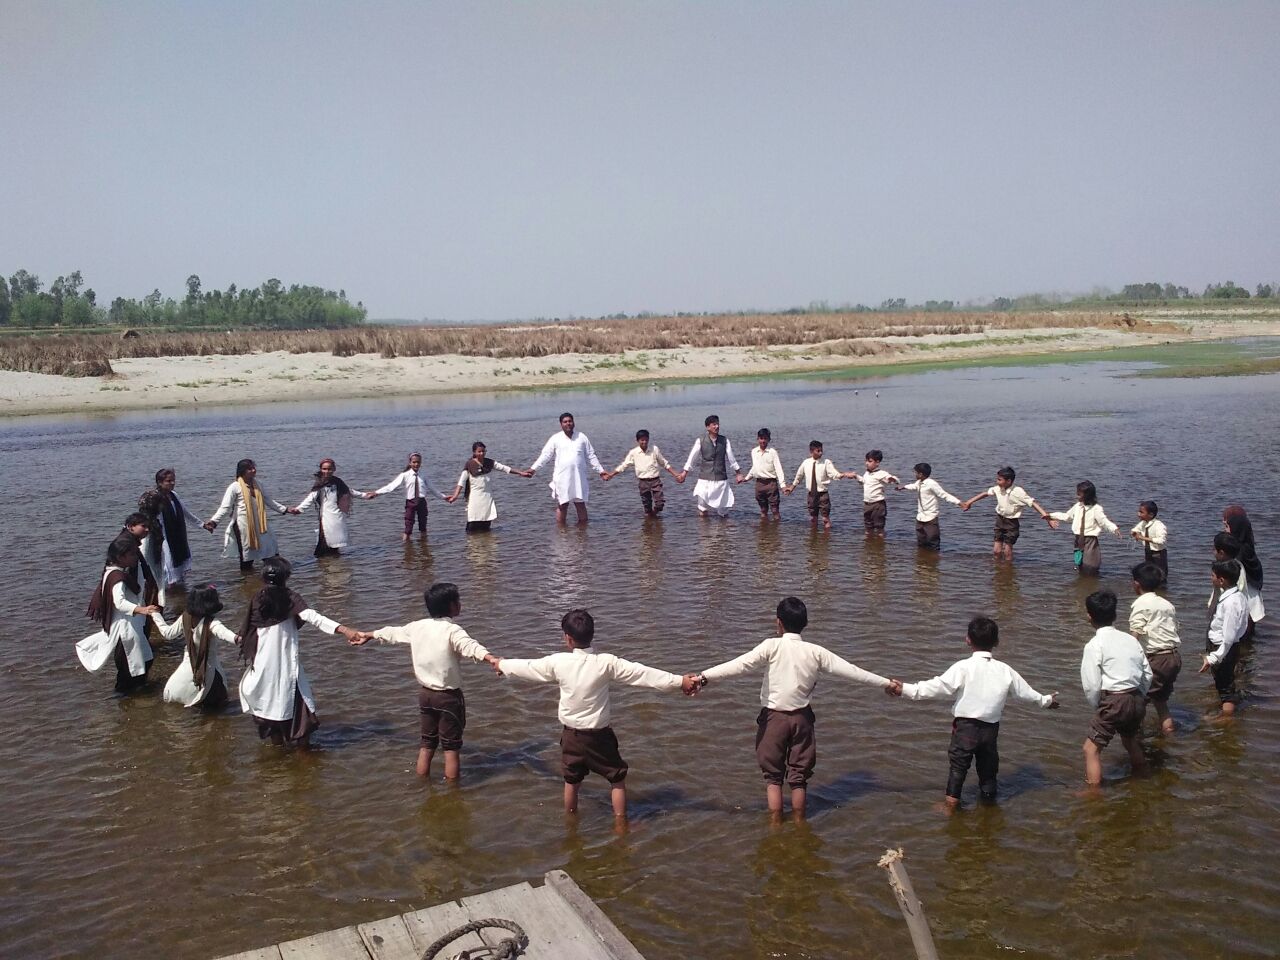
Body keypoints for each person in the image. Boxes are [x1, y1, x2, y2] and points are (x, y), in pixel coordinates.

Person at [696, 597, 895, 821]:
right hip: (803, 720)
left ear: (778, 623)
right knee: (799, 779)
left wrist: (703, 677)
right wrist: (886, 683)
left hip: (773, 720)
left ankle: (775, 827)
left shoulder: (771, 646)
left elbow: (739, 665)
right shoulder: (816, 652)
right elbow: (853, 671)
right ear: (805, 624)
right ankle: (800, 825)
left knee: (773, 778)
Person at [494, 608, 700, 820]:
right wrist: (679, 681)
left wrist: (502, 664)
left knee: (572, 782)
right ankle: (621, 825)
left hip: (571, 736)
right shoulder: (606, 663)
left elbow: (529, 667)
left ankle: (571, 823)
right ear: (593, 634)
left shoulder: (559, 662)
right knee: (617, 779)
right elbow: (642, 673)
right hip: (599, 737)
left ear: (568, 638)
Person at [890, 617, 1058, 809]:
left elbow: (937, 686)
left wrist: (905, 689)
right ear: (996, 642)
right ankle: (989, 807)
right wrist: (1046, 701)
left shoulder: (963, 667)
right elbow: (1026, 693)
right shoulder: (1005, 670)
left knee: (958, 768)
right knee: (988, 771)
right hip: (990, 730)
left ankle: (950, 806)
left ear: (968, 640)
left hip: (966, 729)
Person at [351, 582, 500, 779]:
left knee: (427, 743)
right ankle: (452, 795)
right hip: (448, 697)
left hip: (425, 695)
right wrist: (492, 659)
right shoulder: (452, 630)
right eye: (458, 601)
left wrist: (369, 635)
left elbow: (392, 633)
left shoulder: (417, 627)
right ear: (451, 606)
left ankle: (422, 785)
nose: (460, 604)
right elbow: (470, 647)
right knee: (451, 748)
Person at [236, 557, 360, 747]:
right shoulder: (290, 598)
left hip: (261, 667)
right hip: (286, 667)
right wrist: (344, 630)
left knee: (267, 716)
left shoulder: (257, 600)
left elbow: (247, 632)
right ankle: (304, 764)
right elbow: (313, 617)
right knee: (302, 720)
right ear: (285, 578)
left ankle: (278, 763)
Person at [1080, 590, 1151, 786]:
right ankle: (1143, 776)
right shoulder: (1130, 640)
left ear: (1089, 616)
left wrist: (1099, 706)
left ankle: (1094, 794)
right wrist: (1140, 696)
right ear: (1115, 615)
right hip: (1136, 697)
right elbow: (1147, 673)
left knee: (1090, 749)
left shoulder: (1094, 645)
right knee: (1129, 740)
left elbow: (1091, 684)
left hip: (1115, 700)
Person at [77, 537, 162, 692]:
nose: (136, 558)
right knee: (133, 662)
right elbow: (119, 602)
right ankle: (128, 695)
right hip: (126, 626)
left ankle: (132, 696)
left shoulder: (112, 573)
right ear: (121, 557)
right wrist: (142, 610)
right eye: (132, 555)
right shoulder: (118, 578)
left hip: (131, 624)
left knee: (144, 658)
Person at [150, 585, 239, 710]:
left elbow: (168, 634)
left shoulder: (185, 618)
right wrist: (238, 639)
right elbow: (225, 634)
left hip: (189, 663)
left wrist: (155, 615)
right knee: (219, 699)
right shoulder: (212, 623)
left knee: (176, 691)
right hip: (208, 666)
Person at [206, 459, 299, 572]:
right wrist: (214, 521)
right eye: (250, 469)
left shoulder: (258, 484)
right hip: (244, 526)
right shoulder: (234, 487)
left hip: (261, 524)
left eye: (254, 467)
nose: (254, 470)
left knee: (270, 551)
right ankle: (246, 580)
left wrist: (286, 509)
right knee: (247, 557)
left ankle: (271, 578)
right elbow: (225, 507)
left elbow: (268, 500)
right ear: (242, 471)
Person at [1128, 561, 1181, 735]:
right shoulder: (1167, 604)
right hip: (1174, 657)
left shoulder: (1140, 604)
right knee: (1160, 700)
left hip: (1156, 659)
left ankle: (1137, 739)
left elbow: (1135, 635)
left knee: (1138, 701)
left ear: (1136, 584)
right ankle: (1168, 733)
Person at [961, 467, 1056, 562]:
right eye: (997, 479)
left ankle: (1008, 566)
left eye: (999, 480)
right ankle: (998, 568)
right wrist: (969, 502)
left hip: (1011, 523)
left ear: (1009, 481)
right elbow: (986, 493)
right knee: (996, 551)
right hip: (1000, 520)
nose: (997, 481)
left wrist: (1048, 518)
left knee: (1007, 550)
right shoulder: (998, 488)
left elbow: (1033, 504)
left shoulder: (1018, 492)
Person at [527, 413, 607, 525]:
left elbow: (591, 455)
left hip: (579, 477)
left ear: (574, 422)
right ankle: (561, 531)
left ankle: (583, 534)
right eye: (565, 422)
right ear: (561, 424)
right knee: (563, 504)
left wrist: (601, 471)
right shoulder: (555, 438)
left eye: (570, 421)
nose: (568, 423)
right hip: (562, 478)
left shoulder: (582, 437)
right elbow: (545, 455)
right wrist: (533, 469)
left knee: (580, 504)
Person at [144, 468, 208, 598]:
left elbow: (185, 513)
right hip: (164, 538)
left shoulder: (174, 495)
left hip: (178, 535)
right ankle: (169, 595)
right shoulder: (155, 499)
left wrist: (202, 525)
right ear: (159, 482)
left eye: (173, 480)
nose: (172, 483)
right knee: (169, 566)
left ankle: (179, 596)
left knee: (179, 567)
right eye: (169, 481)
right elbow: (149, 519)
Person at [1200, 559, 1249, 720]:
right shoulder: (1235, 595)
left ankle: (1226, 718)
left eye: (1212, 575)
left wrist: (1214, 657)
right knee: (1223, 682)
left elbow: (1228, 638)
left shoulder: (1231, 603)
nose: (1210, 578)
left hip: (1223, 648)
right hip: (1220, 646)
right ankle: (1227, 707)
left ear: (1222, 580)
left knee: (1225, 687)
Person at [445, 441, 531, 532]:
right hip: (475, 498)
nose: (482, 453)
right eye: (479, 452)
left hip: (487, 498)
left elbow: (504, 468)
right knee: (473, 524)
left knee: (486, 524)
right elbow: (461, 482)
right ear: (474, 452)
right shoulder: (470, 464)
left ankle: (487, 543)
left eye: (483, 451)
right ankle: (472, 544)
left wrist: (521, 473)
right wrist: (455, 496)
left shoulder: (489, 462)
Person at [294, 458, 372, 556]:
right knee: (324, 542)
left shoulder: (338, 482)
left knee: (336, 543)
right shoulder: (320, 484)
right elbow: (311, 498)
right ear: (321, 469)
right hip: (326, 518)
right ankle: (326, 563)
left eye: (329, 469)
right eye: (324, 469)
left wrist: (365, 495)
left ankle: (333, 564)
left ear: (334, 469)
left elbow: (349, 491)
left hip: (338, 517)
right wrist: (299, 509)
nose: (327, 472)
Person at [1049, 481, 1122, 576]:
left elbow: (1104, 522)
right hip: (1078, 539)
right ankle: (1083, 581)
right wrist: (1051, 515)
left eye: (1079, 494)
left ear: (1087, 495)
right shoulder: (1078, 506)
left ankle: (1091, 579)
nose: (1077, 496)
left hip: (1090, 540)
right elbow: (1067, 516)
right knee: (1079, 562)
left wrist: (1114, 529)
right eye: (1077, 493)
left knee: (1091, 564)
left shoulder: (1096, 508)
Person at [371, 452, 449, 541]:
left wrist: (444, 497)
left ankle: (424, 545)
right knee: (408, 527)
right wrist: (377, 493)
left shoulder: (423, 475)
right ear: (410, 463)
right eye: (414, 462)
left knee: (423, 526)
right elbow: (391, 486)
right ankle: (406, 546)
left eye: (418, 462)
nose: (416, 464)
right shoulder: (405, 475)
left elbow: (433, 489)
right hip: (410, 503)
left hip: (422, 502)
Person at [678, 415, 744, 518]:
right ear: (708, 427)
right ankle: (704, 532)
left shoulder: (724, 440)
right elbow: (692, 457)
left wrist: (738, 473)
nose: (716, 426)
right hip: (704, 479)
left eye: (718, 424)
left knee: (724, 510)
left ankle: (723, 532)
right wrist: (684, 473)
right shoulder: (700, 440)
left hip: (721, 479)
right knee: (702, 509)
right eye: (714, 424)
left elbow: (731, 457)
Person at [604, 429, 681, 517]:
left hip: (655, 481)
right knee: (647, 506)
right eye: (642, 440)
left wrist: (676, 474)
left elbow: (664, 463)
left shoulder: (654, 449)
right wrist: (611, 474)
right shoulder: (634, 452)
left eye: (646, 440)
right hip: (643, 482)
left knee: (660, 504)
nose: (644, 442)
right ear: (637, 441)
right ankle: (649, 523)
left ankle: (653, 517)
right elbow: (624, 465)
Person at [784, 440, 855, 531]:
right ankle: (813, 537)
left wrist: (845, 474)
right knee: (813, 518)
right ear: (811, 451)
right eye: (818, 451)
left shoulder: (826, 462)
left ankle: (826, 539)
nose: (820, 453)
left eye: (821, 450)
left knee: (825, 518)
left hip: (823, 495)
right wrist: (791, 488)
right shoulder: (806, 463)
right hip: (811, 495)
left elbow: (834, 474)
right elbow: (799, 477)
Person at [1210, 532, 1264, 642]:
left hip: (1231, 621)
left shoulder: (1235, 572)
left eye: (1214, 549)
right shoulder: (1231, 567)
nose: (1212, 552)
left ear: (1221, 553)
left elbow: (1239, 600)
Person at [1222, 505, 1265, 638]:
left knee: (1240, 637)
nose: (1224, 530)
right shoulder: (1248, 547)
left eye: (1226, 526)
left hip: (1244, 601)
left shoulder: (1238, 553)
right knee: (1247, 637)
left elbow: (1238, 583)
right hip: (1251, 602)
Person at [898, 462, 962, 551]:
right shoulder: (919, 482)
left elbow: (944, 495)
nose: (914, 474)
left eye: (915, 473)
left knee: (933, 541)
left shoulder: (932, 484)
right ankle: (922, 560)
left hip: (930, 518)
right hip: (920, 517)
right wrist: (904, 487)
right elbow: (914, 486)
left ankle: (934, 560)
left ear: (920, 474)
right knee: (921, 541)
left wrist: (959, 503)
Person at [848, 450, 899, 539]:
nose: (866, 463)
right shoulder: (867, 473)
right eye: (866, 461)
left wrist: (893, 479)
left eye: (870, 461)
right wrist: (856, 476)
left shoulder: (882, 473)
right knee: (868, 528)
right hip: (867, 504)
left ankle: (880, 548)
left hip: (878, 505)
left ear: (877, 462)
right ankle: (869, 547)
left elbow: (893, 479)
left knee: (879, 528)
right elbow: (864, 482)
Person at [742, 428, 785, 521]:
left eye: (765, 439)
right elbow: (755, 467)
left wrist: (783, 485)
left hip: (771, 484)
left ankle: (777, 532)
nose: (763, 441)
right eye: (761, 438)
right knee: (763, 510)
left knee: (775, 510)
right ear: (758, 439)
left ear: (769, 440)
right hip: (759, 484)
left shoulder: (772, 452)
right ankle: (763, 533)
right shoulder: (754, 451)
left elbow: (779, 469)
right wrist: (746, 478)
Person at [1130, 500, 1169, 582]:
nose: (1138, 514)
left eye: (1141, 512)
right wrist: (1134, 532)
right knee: (1150, 572)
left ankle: (1162, 589)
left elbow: (1161, 540)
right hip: (1148, 551)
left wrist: (1142, 538)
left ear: (1151, 514)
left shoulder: (1159, 525)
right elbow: (1135, 529)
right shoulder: (1143, 523)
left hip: (1158, 554)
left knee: (1160, 574)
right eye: (1138, 511)